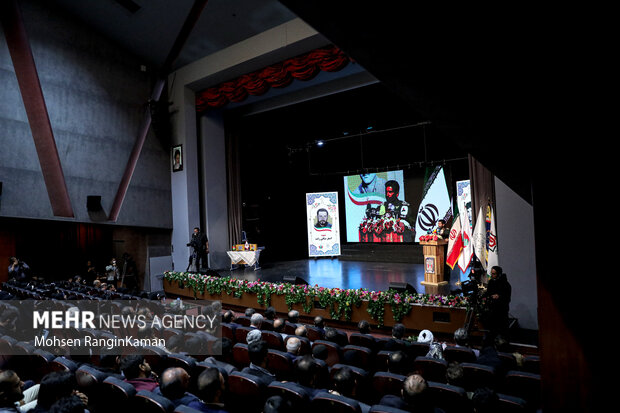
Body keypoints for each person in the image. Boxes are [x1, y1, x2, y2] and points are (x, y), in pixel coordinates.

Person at [482, 266, 512, 339]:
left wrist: (499, 296)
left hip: (501, 310)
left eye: (494, 274)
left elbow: (507, 297)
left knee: (502, 329)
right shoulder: (491, 282)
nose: (492, 275)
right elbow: (488, 293)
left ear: (499, 274)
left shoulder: (505, 284)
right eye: (491, 273)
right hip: (492, 309)